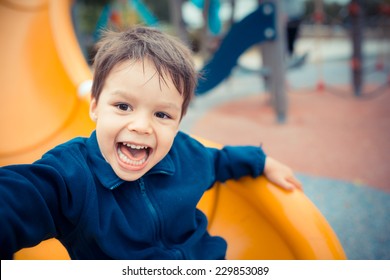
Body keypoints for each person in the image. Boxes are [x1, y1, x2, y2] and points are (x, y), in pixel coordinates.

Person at [0, 26, 301, 260]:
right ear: (94, 106)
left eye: (161, 114)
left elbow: (219, 160)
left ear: (178, 122)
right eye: (123, 107)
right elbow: (20, 197)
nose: (141, 126)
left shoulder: (185, 154)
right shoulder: (71, 176)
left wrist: (262, 162)